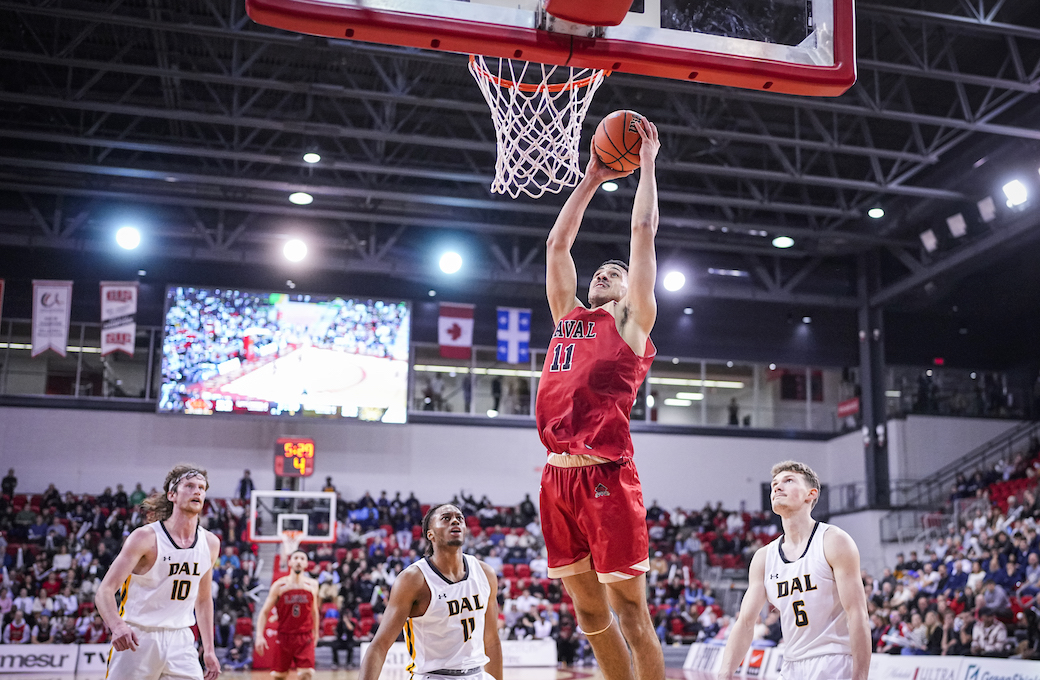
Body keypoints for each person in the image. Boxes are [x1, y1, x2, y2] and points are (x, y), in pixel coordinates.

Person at [535, 116, 663, 680]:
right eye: (602, 271)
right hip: (555, 476)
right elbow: (557, 243)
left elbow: (642, 235)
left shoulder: (634, 324)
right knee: (587, 609)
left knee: (631, 612)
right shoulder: (568, 316)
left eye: (618, 273)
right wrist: (590, 177)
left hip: (606, 475)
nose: (607, 273)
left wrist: (649, 164)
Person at [718, 461, 870, 680]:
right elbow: (745, 622)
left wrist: (860, 676)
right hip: (791, 665)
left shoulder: (834, 541)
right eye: (774, 484)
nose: (778, 487)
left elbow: (857, 614)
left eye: (788, 481)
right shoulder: (763, 557)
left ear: (811, 493)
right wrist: (725, 672)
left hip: (834, 662)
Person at [94, 464, 220, 680]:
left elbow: (203, 599)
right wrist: (117, 626)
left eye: (201, 487)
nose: (197, 491)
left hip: (181, 639)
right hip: (138, 636)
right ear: (172, 494)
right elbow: (105, 591)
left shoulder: (210, 542)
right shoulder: (145, 537)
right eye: (189, 486)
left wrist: (209, 649)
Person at [359, 504, 502, 680]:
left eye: (460, 518)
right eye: (446, 518)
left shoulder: (485, 573)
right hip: (433, 676)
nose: (455, 520)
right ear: (430, 534)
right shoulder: (413, 580)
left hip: (477, 674)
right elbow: (379, 645)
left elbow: (492, 641)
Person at [254, 550, 320, 680]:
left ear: (306, 564)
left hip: (304, 636)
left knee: (306, 674)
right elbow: (264, 612)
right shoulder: (279, 585)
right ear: (290, 562)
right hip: (284, 637)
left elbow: (314, 611)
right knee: (279, 676)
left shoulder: (313, 585)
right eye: (295, 558)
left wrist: (316, 633)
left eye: (302, 558)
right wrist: (259, 636)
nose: (298, 561)